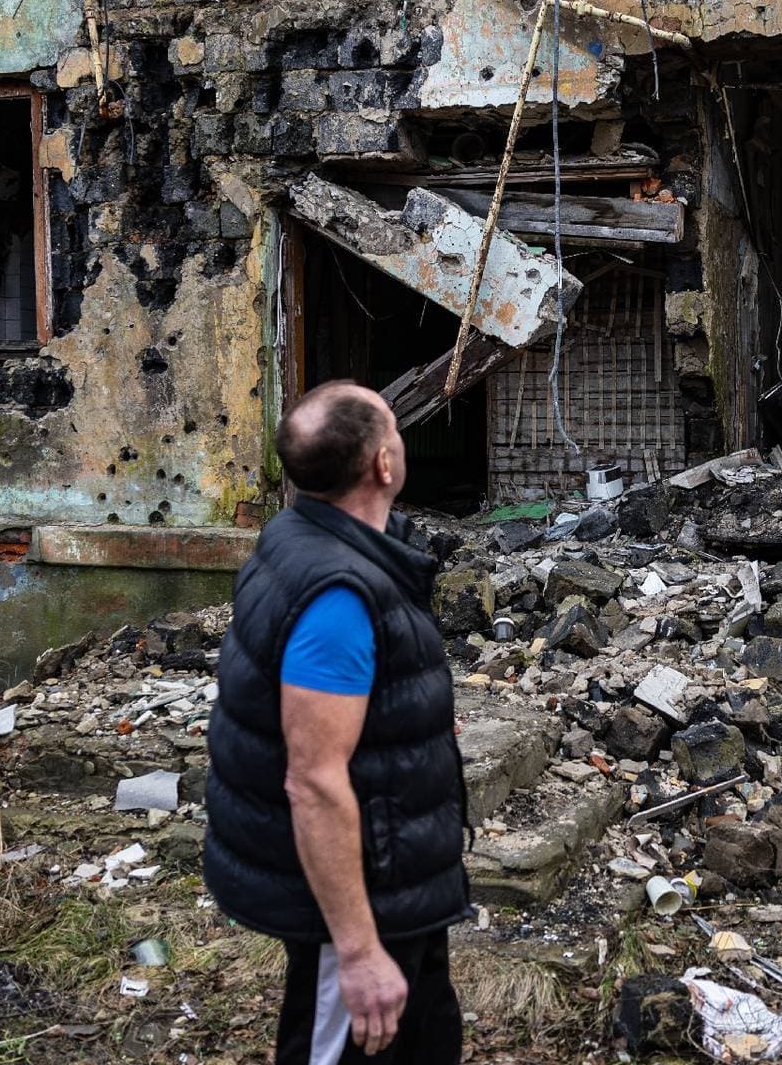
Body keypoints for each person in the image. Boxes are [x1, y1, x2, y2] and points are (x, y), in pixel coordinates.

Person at [204, 381, 468, 1064]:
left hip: (398, 874)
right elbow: (315, 781)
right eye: (395, 433)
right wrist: (355, 952)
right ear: (384, 465)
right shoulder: (337, 598)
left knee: (427, 1036)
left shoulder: (308, 538)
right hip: (360, 895)